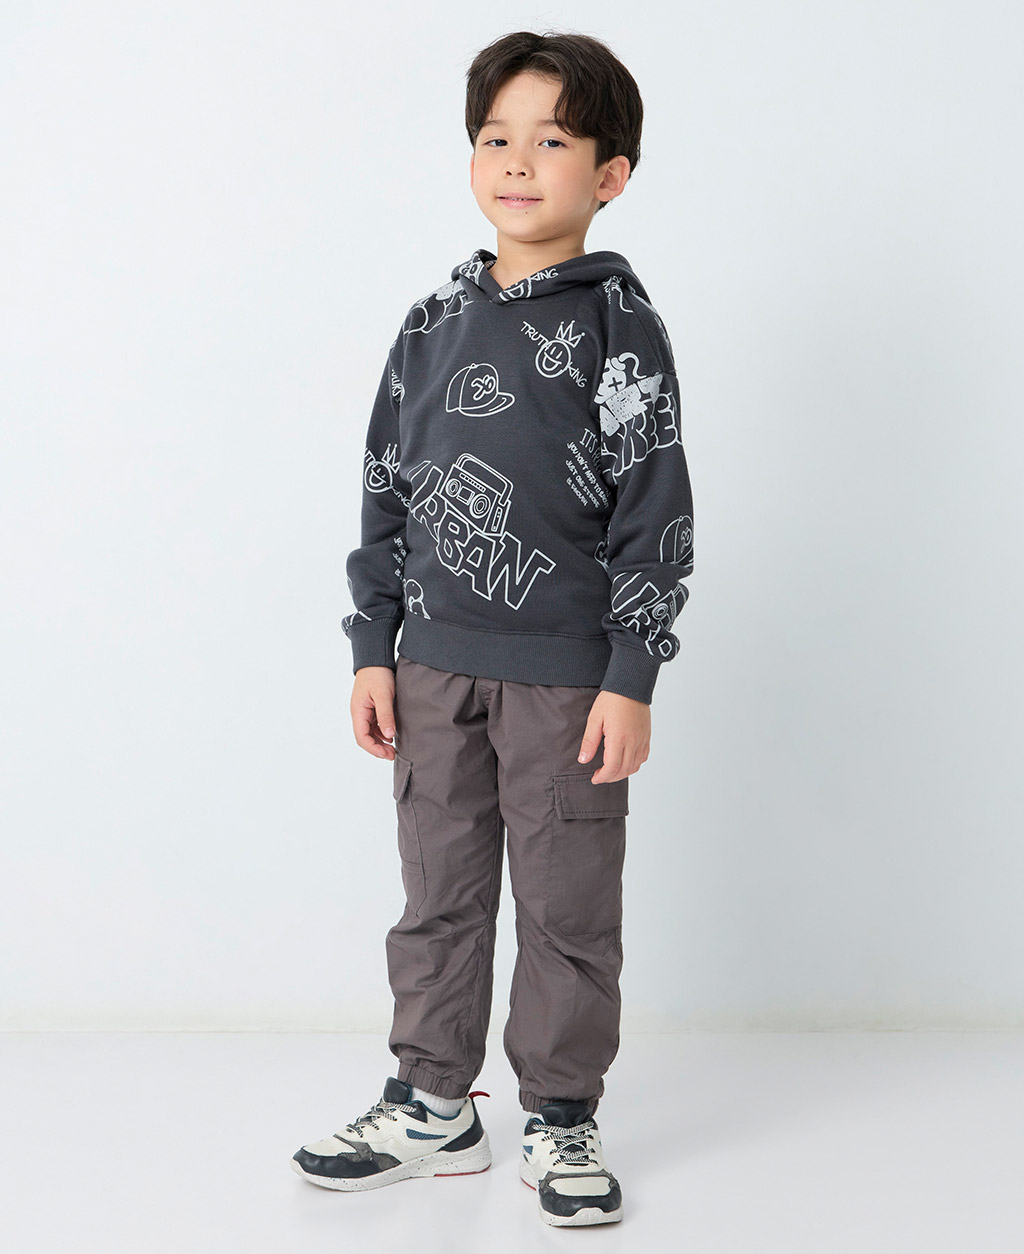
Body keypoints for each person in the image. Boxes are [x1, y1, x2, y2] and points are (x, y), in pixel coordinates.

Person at [290, 28, 694, 1229]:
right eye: (494, 136)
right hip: (431, 669)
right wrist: (373, 647)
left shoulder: (621, 327)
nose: (517, 161)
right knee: (438, 896)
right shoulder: (430, 323)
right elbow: (386, 488)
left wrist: (632, 672)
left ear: (609, 174)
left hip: (566, 679)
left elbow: (657, 510)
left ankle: (561, 1115)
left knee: (567, 908)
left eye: (551, 140)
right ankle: (432, 1104)